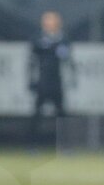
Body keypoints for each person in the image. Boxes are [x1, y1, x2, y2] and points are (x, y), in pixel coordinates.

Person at [29, 10, 72, 141]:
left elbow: (66, 55)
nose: (48, 23)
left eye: (51, 20)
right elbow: (33, 57)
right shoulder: (38, 39)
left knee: (61, 114)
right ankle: (32, 145)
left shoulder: (63, 39)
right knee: (37, 115)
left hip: (56, 82)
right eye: (46, 20)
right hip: (42, 82)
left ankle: (65, 144)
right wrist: (31, 80)